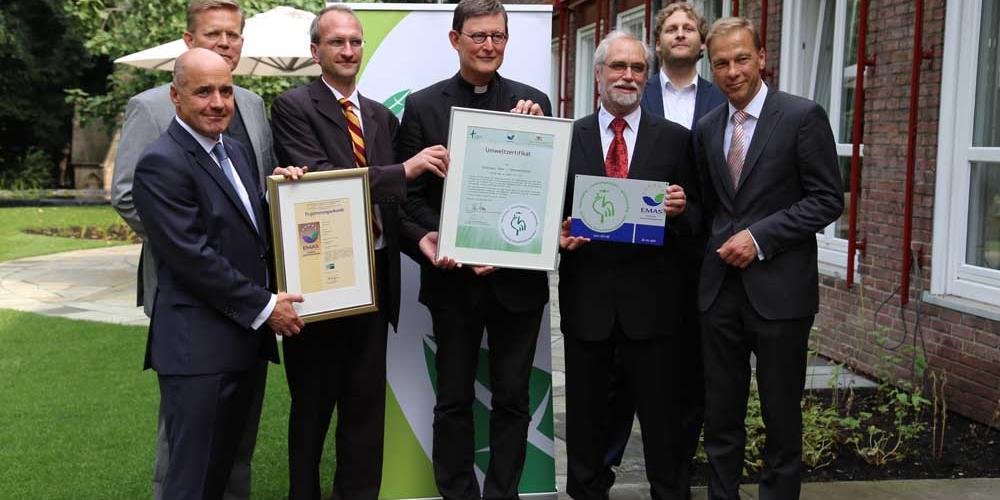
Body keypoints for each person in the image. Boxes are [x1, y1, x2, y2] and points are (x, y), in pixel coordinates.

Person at [268, 5, 449, 499]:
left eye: (355, 42)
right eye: (337, 42)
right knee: (310, 417)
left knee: (365, 420)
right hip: (321, 293)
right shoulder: (292, 108)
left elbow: (394, 208)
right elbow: (324, 180)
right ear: (316, 51)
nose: (348, 51)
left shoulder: (379, 116)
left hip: (374, 290)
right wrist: (406, 170)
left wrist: (419, 240)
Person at [109, 2, 275, 498]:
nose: (218, 101)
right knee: (189, 460)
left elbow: (252, 207)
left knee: (231, 452)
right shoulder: (156, 125)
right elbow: (139, 202)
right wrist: (187, 243)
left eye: (233, 35)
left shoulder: (246, 121)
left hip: (243, 321)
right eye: (213, 34)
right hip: (194, 319)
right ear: (177, 95)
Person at [395, 0, 551, 497]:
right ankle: (457, 493)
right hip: (453, 280)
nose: (488, 45)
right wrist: (439, 242)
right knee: (453, 399)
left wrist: (538, 130)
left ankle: (502, 493)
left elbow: (548, 193)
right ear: (455, 39)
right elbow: (406, 200)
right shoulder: (423, 106)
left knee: (512, 400)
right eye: (478, 35)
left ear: (507, 40)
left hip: (518, 285)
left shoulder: (534, 103)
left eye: (498, 37)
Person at [132, 48, 303, 500]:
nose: (217, 102)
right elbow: (194, 257)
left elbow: (244, 231)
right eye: (203, 91)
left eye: (226, 90)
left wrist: (282, 197)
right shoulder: (161, 163)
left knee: (223, 473)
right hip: (198, 354)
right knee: (192, 481)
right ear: (175, 96)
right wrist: (267, 308)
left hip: (241, 345)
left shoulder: (237, 150)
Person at [693, 17, 844, 500]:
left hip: (780, 294)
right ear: (711, 69)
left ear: (761, 57)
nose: (733, 70)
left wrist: (759, 238)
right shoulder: (707, 127)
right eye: (721, 63)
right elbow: (711, 206)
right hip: (720, 294)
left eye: (741, 59)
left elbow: (827, 199)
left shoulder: (802, 117)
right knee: (720, 414)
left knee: (781, 417)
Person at [559, 30, 699, 500]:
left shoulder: (677, 140)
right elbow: (550, 216)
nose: (628, 76)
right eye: (618, 66)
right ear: (598, 74)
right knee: (585, 435)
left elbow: (702, 218)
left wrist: (681, 212)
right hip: (588, 311)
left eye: (638, 68)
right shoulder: (567, 138)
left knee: (664, 435)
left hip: (655, 314)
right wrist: (559, 237)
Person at [605, 2, 727, 492]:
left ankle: (677, 463)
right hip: (628, 261)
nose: (680, 35)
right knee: (617, 381)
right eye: (670, 28)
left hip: (696, 258)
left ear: (702, 42)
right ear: (658, 43)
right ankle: (604, 464)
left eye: (689, 29)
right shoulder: (635, 90)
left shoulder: (724, 98)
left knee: (684, 377)